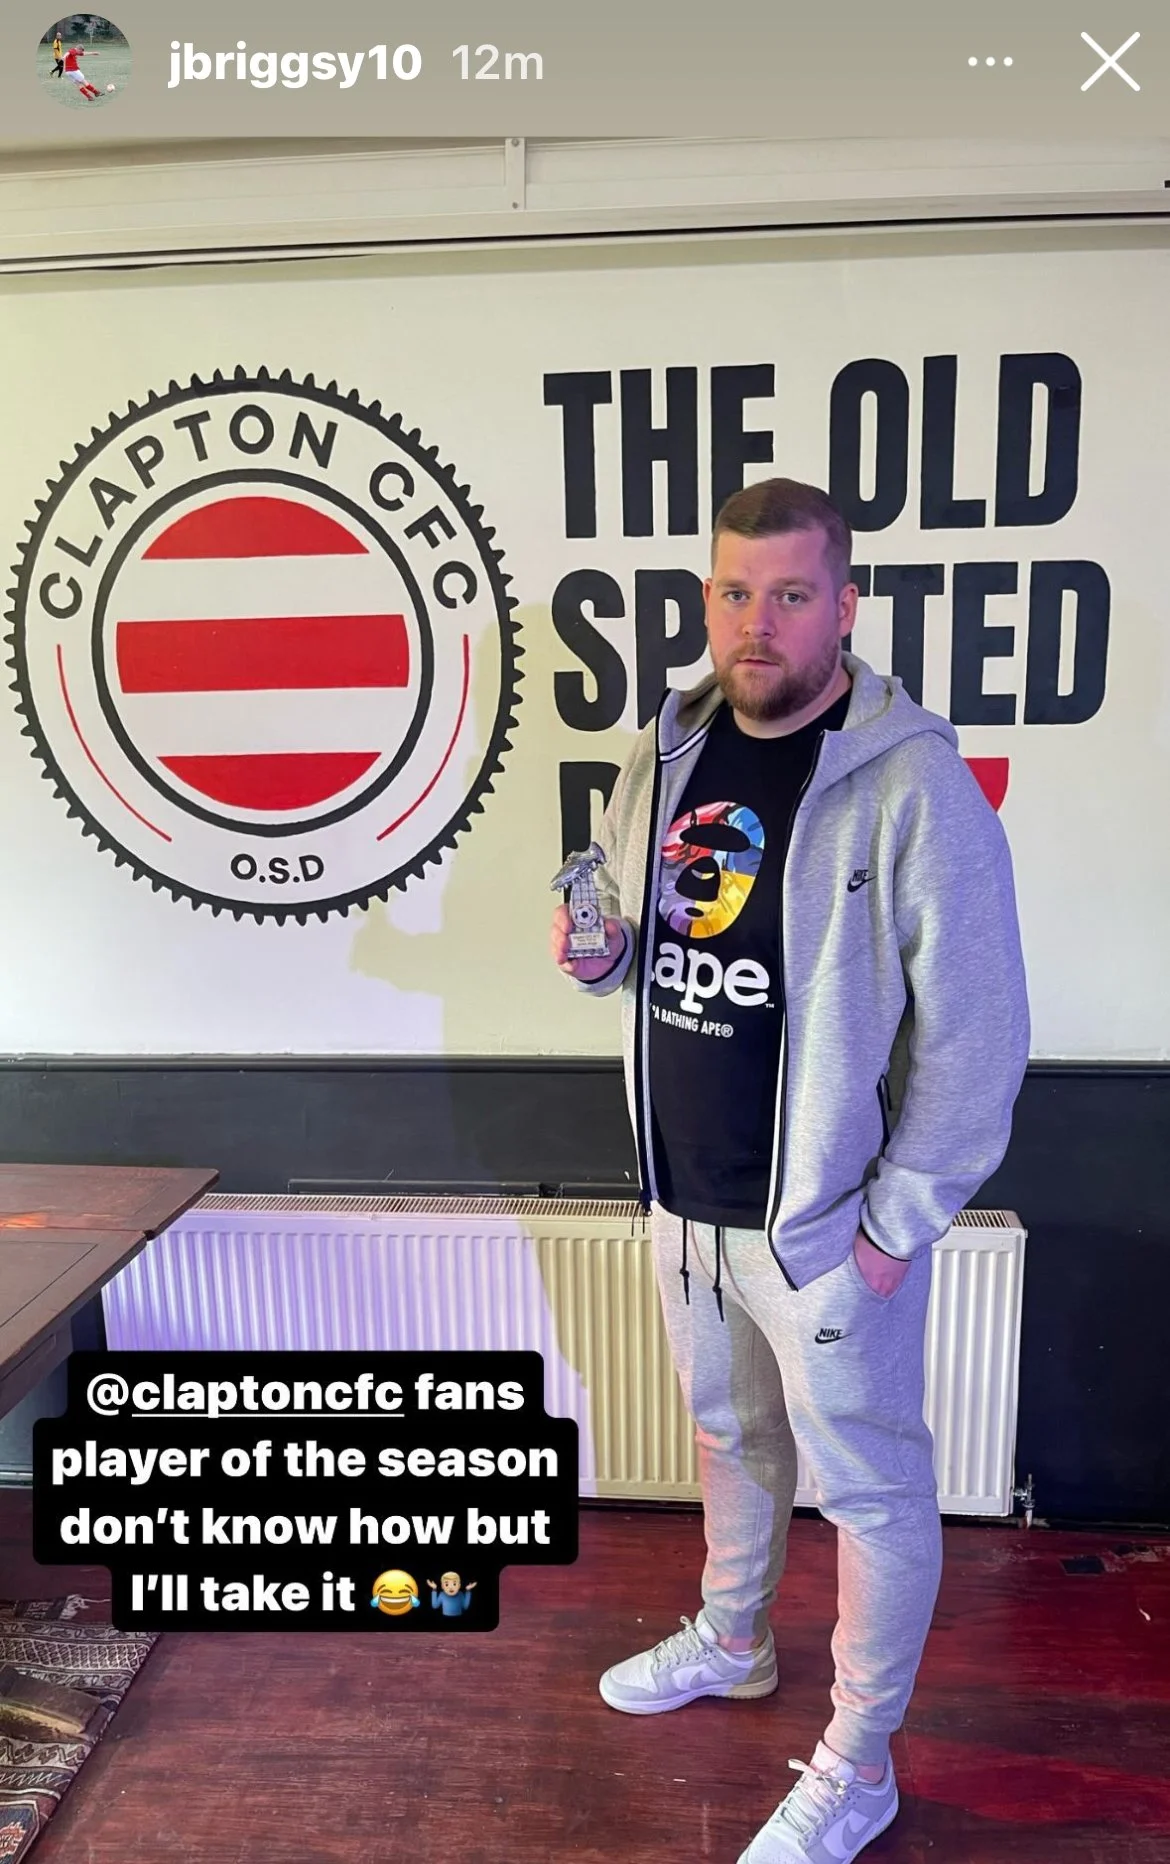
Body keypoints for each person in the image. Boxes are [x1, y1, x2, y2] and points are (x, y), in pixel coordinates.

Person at [550, 478, 1029, 1863]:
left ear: (846, 605)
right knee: (727, 1441)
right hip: (683, 1204)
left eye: (789, 594)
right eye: (731, 592)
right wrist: (599, 947)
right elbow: (642, 938)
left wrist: (894, 1225)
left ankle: (858, 1763)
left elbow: (979, 1031)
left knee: (870, 1493)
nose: (755, 625)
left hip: (820, 1229)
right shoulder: (673, 742)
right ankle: (733, 1638)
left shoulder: (912, 781)